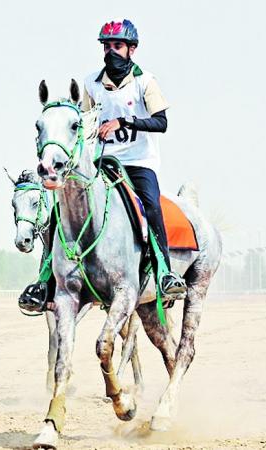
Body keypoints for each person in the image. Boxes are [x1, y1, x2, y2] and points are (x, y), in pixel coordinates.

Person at [82, 18, 186, 296]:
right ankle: (46, 278)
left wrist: (124, 121)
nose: (111, 52)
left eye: (117, 45)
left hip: (139, 163)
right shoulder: (91, 83)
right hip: (104, 161)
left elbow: (161, 123)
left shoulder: (145, 81)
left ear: (132, 49)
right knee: (70, 201)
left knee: (152, 206)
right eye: (106, 46)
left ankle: (165, 273)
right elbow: (84, 123)